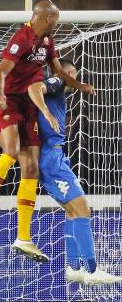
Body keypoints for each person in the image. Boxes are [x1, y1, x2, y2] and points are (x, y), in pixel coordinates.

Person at [0, 1, 95, 262]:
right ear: (47, 18)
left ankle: (23, 238)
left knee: (31, 169)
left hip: (28, 108)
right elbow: (1, 71)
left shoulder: (47, 42)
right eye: (55, 20)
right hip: (10, 101)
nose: (56, 24)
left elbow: (58, 71)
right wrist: (1, 95)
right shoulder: (21, 39)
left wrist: (80, 85)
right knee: (12, 150)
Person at [28, 59, 122, 285]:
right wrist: (46, 113)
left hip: (54, 157)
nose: (75, 80)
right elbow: (34, 88)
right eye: (74, 75)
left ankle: (74, 267)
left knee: (72, 211)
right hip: (52, 159)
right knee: (83, 210)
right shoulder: (57, 81)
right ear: (68, 73)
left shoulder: (57, 89)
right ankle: (91, 270)